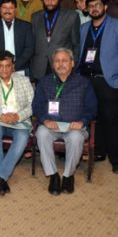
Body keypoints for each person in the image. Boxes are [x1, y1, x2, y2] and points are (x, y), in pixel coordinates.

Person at [78, 0, 118, 174]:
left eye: (97, 5)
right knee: (92, 118)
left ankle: (116, 159)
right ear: (86, 9)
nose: (94, 8)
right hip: (86, 81)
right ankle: (99, 152)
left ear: (105, 7)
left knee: (109, 120)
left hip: (109, 81)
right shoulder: (84, 27)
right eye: (91, 6)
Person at [33, 48, 98, 194]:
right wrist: (44, 120)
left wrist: (82, 122)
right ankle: (53, 175)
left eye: (64, 61)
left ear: (72, 63)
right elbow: (36, 106)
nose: (60, 64)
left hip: (74, 126)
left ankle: (68, 176)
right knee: (41, 133)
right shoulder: (44, 82)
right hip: (52, 125)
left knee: (76, 137)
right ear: (53, 64)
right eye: (57, 61)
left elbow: (92, 108)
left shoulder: (83, 83)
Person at [0, 50, 34, 195]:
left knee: (23, 136)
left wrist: (18, 115)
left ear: (13, 67)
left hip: (19, 121)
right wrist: (0, 116)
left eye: (7, 66)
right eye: (1, 66)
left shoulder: (24, 80)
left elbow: (32, 105)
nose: (4, 69)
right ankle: (2, 176)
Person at [30, 0, 80, 82]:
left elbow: (76, 45)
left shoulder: (72, 16)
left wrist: (73, 64)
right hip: (39, 67)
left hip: (62, 67)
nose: (50, 2)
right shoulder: (35, 17)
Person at [0, 0, 34, 76]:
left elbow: (29, 48)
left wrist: (14, 65)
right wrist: (1, 65)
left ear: (15, 10)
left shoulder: (26, 26)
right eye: (4, 7)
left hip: (19, 68)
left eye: (11, 8)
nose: (7, 11)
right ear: (0, 9)